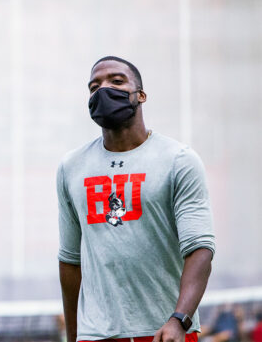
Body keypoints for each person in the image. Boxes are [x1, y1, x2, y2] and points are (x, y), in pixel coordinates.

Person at [57, 56, 215, 342]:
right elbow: (70, 261)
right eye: (94, 87)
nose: (103, 90)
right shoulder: (71, 167)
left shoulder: (178, 160)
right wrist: (72, 336)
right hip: (96, 334)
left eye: (116, 81)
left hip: (164, 331)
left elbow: (200, 249)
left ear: (140, 95)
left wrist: (179, 320)